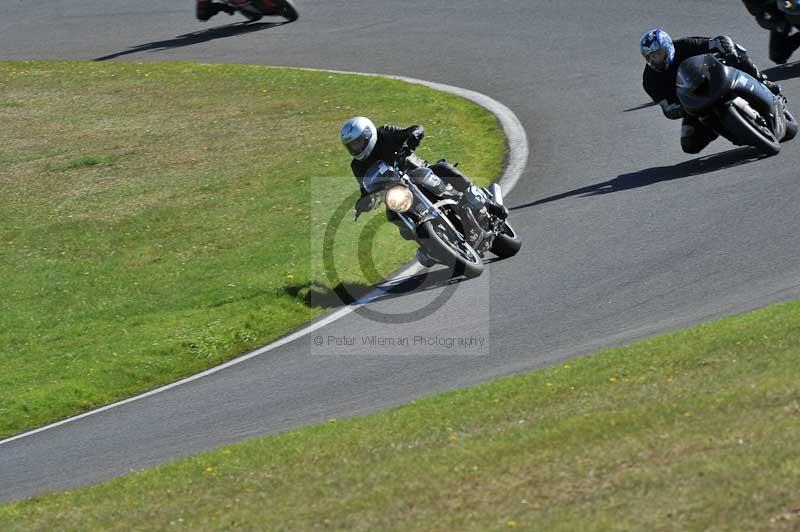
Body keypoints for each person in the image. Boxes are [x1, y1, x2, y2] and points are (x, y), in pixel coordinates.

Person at [340, 116, 508, 223]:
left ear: (368, 135)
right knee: (393, 216)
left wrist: (413, 136)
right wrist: (363, 203)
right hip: (395, 191)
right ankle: (428, 245)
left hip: (415, 172)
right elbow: (365, 188)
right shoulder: (357, 165)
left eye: (358, 142)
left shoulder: (385, 133)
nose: (356, 148)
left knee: (443, 168)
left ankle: (488, 203)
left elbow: (414, 129)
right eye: (352, 145)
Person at [640, 28, 781, 154]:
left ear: (668, 47)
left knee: (737, 52)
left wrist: (728, 51)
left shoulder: (684, 45)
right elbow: (667, 107)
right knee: (690, 145)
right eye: (649, 56)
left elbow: (719, 41)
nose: (654, 60)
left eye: (657, 54)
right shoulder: (650, 81)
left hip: (715, 78)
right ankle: (730, 129)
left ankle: (762, 80)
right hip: (695, 102)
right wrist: (679, 109)